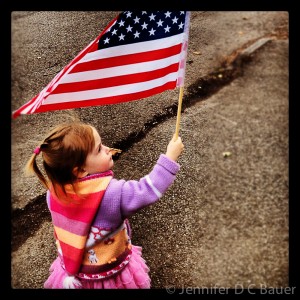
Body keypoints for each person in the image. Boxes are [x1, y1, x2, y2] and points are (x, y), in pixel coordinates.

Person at [25, 120, 184, 289]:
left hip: (75, 271)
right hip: (110, 273)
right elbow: (147, 189)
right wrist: (170, 158)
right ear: (79, 171)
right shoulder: (112, 194)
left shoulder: (53, 193)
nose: (108, 148)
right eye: (99, 149)